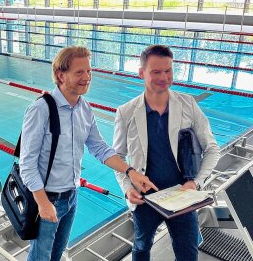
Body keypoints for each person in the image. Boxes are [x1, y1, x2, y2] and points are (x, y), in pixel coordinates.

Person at [19, 46, 158, 261]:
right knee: (40, 257)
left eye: (89, 71)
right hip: (47, 198)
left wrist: (130, 171)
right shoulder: (41, 109)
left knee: (56, 254)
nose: (87, 78)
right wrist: (43, 203)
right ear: (60, 75)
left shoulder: (84, 108)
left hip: (71, 197)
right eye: (79, 72)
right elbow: (27, 164)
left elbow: (99, 148)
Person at [113, 44, 220, 261]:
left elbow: (212, 149)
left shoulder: (188, 104)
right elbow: (118, 159)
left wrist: (196, 183)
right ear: (142, 73)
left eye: (168, 70)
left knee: (188, 253)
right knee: (141, 248)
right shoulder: (126, 113)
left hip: (183, 195)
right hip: (145, 200)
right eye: (156, 72)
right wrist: (127, 190)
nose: (164, 77)